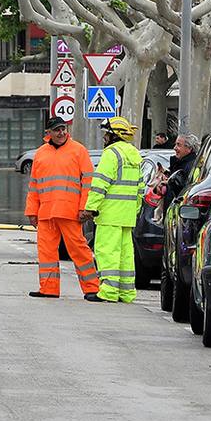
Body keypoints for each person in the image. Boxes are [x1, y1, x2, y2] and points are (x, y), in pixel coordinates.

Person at [25, 116, 102, 300]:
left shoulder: (78, 151)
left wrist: (85, 208)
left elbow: (88, 182)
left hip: (70, 212)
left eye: (63, 129)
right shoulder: (41, 153)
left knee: (79, 250)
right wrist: (31, 211)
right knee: (46, 252)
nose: (61, 133)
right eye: (57, 130)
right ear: (48, 133)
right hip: (46, 212)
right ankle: (48, 288)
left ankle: (92, 288)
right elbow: (34, 185)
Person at [85, 117, 144, 303]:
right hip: (126, 215)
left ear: (114, 136)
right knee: (126, 255)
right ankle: (126, 293)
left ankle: (109, 291)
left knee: (107, 251)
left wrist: (91, 207)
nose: (104, 138)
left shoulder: (111, 154)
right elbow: (140, 188)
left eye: (107, 134)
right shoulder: (134, 155)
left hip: (109, 214)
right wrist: (134, 210)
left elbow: (100, 183)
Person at [161, 133, 200, 218]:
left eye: (178, 145)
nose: (175, 148)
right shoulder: (179, 164)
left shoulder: (190, 167)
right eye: (175, 144)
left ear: (189, 149)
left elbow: (182, 192)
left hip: (180, 216)